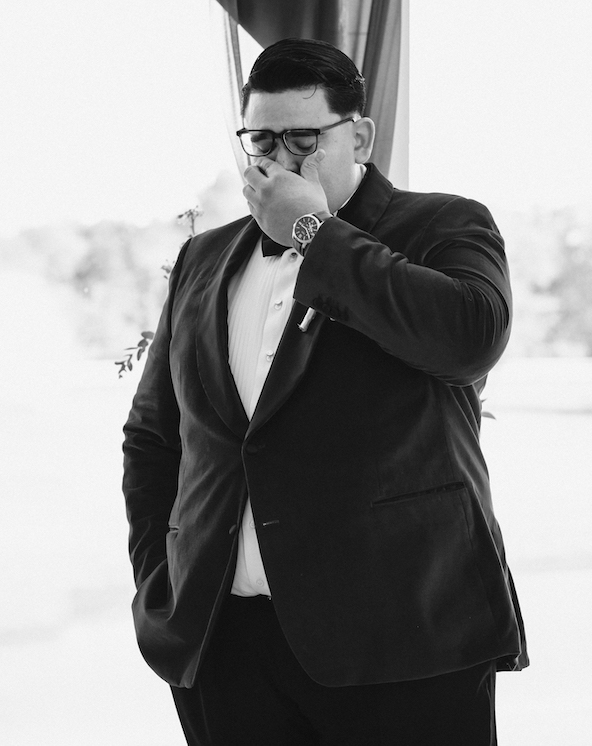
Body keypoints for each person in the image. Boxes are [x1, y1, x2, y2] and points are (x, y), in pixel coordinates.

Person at [123, 37, 528, 745]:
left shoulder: (444, 224)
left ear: (360, 136)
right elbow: (156, 437)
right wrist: (161, 580)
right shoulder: (202, 257)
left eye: (304, 138)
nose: (279, 159)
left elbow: (469, 340)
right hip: (225, 653)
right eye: (261, 139)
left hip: (405, 650)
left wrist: (314, 231)